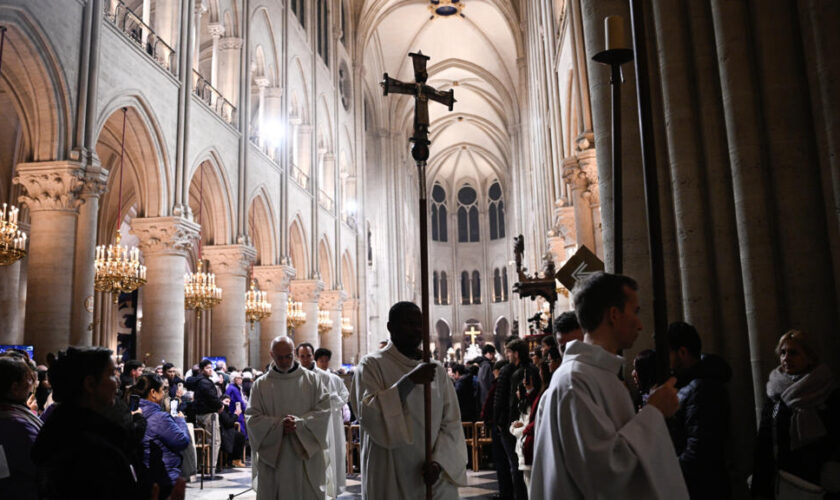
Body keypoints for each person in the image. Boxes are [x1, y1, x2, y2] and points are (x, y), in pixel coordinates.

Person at [530, 272, 688, 499]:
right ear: (614, 315)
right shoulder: (575, 381)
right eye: (635, 312)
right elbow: (603, 473)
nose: (641, 325)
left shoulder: (597, 375)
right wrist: (655, 412)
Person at [31, 347, 184, 499]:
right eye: (111, 374)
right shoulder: (88, 448)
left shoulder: (75, 426)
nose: (117, 381)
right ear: (90, 384)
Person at [351, 301, 467, 499]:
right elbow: (369, 413)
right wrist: (408, 382)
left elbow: (451, 422)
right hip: (390, 470)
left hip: (432, 475)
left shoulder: (436, 370)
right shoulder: (372, 365)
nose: (416, 330)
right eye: (408, 324)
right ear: (391, 327)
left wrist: (439, 461)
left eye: (419, 324)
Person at [751, 329, 840, 498]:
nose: (786, 358)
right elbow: (765, 442)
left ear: (809, 356)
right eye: (783, 353)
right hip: (786, 479)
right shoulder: (776, 397)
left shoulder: (828, 392)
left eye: (793, 353)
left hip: (819, 482)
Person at [246, 336, 331, 500]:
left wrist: (300, 424)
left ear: (294, 353)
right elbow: (252, 418)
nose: (285, 361)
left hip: (305, 454)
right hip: (274, 457)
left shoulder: (312, 380)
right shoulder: (261, 384)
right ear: (271, 354)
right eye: (280, 357)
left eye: (288, 356)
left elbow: (323, 410)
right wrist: (279, 426)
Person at [665, 321, 732, 499]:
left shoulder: (702, 388)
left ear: (682, 352)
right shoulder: (691, 384)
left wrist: (668, 474)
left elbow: (699, 450)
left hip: (701, 489)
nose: (666, 362)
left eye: (668, 354)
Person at [133, 374, 190, 499]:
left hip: (143, 475)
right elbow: (182, 441)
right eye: (163, 389)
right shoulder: (159, 417)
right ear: (153, 392)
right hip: (164, 476)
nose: (165, 393)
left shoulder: (134, 412)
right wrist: (180, 421)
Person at [497, 337, 537, 500]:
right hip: (532, 420)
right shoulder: (533, 369)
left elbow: (514, 402)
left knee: (517, 466)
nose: (507, 356)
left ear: (516, 353)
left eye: (508, 353)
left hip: (519, 423)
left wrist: (508, 425)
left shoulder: (516, 373)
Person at [0, 354, 41, 499]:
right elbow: (39, 464)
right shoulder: (18, 426)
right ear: (15, 387)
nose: (31, 385)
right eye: (28, 380)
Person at [314, 347, 351, 495]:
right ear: (316, 361)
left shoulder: (335, 378)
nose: (324, 363)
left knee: (335, 452)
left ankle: (334, 488)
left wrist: (335, 401)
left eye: (326, 361)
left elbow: (345, 395)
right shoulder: (312, 377)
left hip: (333, 420)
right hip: (318, 420)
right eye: (321, 361)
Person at [481, 359, 513, 500]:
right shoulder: (502, 382)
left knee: (502, 461)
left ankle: (505, 493)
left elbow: (494, 404)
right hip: (500, 424)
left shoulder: (500, 383)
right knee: (504, 462)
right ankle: (505, 491)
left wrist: (491, 419)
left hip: (499, 425)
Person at [186, 359, 223, 476]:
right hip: (208, 415)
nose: (210, 369)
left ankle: (203, 466)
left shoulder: (197, 381)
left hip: (199, 414)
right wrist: (220, 404)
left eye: (211, 367)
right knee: (215, 441)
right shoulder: (205, 382)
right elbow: (211, 397)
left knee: (202, 442)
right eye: (207, 368)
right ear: (202, 370)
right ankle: (211, 467)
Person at [219, 394, 247, 469]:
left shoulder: (226, 410)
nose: (228, 403)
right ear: (221, 401)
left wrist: (235, 415)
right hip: (224, 432)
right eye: (226, 401)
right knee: (239, 437)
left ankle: (235, 459)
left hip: (227, 430)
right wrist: (236, 414)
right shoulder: (222, 410)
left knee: (240, 436)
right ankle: (235, 459)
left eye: (229, 402)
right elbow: (228, 422)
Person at [225, 371, 248, 441]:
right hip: (237, 413)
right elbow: (240, 402)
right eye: (239, 378)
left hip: (232, 413)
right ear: (234, 379)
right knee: (242, 433)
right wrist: (245, 411)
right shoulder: (234, 389)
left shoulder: (230, 387)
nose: (241, 379)